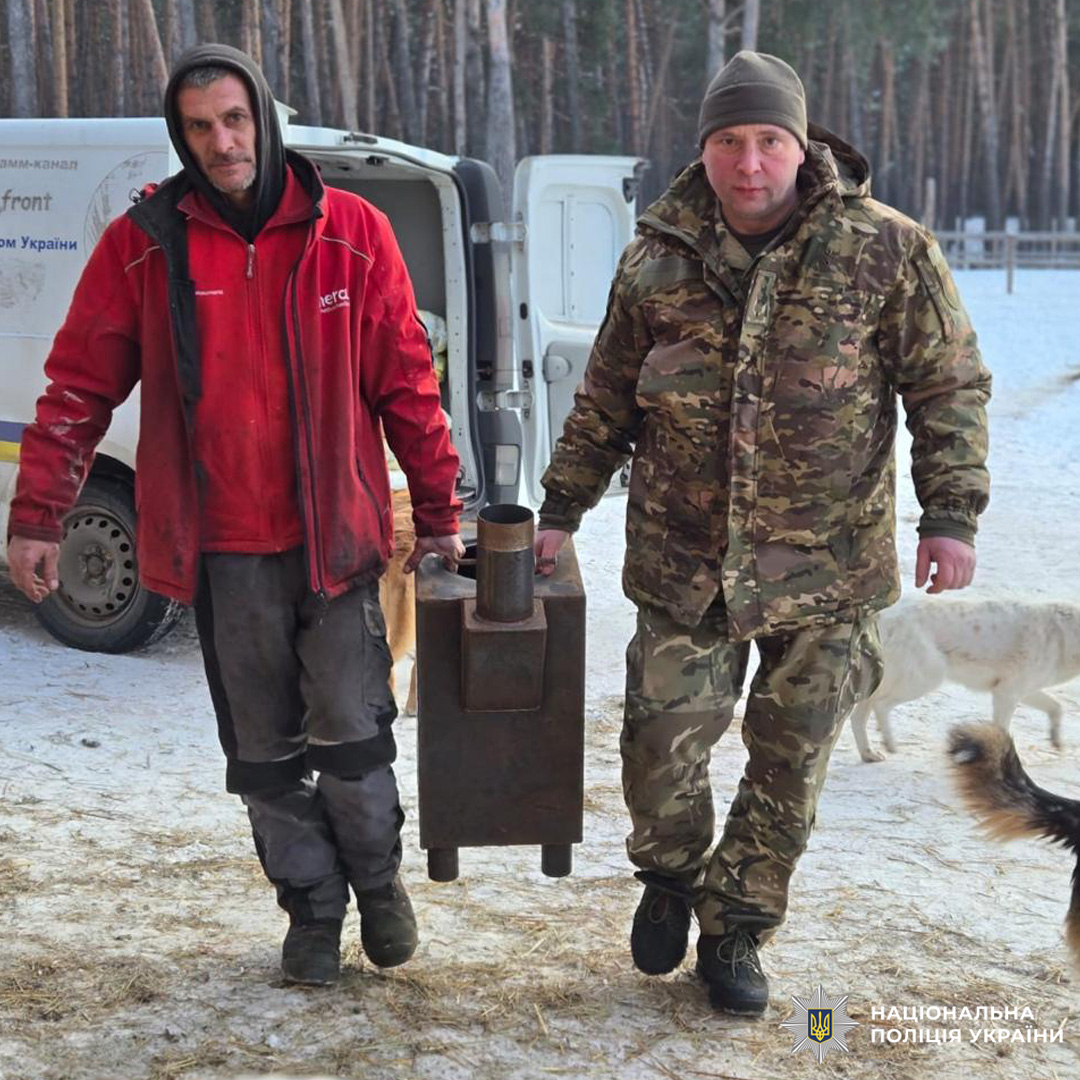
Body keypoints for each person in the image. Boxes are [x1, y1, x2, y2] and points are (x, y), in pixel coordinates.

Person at [534, 51, 990, 1015]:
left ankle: (738, 927)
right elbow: (606, 399)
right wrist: (560, 510)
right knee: (660, 751)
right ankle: (668, 875)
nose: (750, 162)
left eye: (769, 140)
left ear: (802, 142)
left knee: (790, 762)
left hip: (827, 570)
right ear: (703, 150)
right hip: (685, 561)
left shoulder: (885, 249)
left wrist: (950, 514)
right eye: (729, 141)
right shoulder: (654, 257)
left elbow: (947, 385)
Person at [6, 44, 465, 987]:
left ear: (265, 116)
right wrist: (39, 512)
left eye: (235, 119)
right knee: (263, 755)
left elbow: (409, 387)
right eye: (201, 127)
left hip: (334, 542)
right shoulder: (146, 242)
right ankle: (311, 909)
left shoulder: (354, 234)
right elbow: (77, 385)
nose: (222, 142)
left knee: (354, 736)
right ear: (183, 137)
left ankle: (377, 886)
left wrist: (441, 510)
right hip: (223, 554)